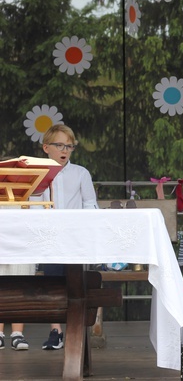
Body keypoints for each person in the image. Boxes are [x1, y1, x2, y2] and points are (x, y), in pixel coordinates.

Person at [38, 123, 98, 350]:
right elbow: (33, 205)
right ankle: (56, 330)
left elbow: (90, 205)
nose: (65, 150)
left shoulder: (81, 173)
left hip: (74, 238)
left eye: (69, 146)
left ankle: (75, 330)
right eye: (59, 145)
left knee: (75, 283)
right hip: (49, 237)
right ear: (46, 148)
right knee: (52, 282)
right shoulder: (39, 175)